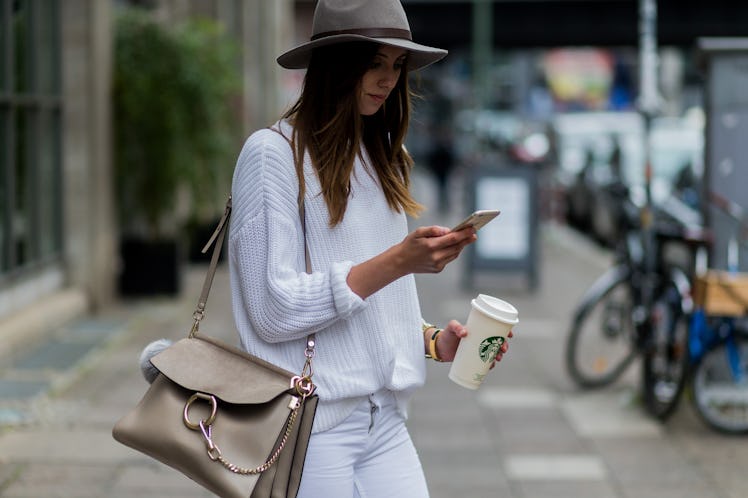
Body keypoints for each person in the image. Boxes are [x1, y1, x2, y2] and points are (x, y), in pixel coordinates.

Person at [228, 1, 512, 496]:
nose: (387, 79)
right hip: (312, 428)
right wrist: (398, 261)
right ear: (337, 63)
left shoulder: (385, 158)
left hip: (385, 420)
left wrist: (430, 341)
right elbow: (272, 310)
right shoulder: (272, 156)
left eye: (397, 66)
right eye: (375, 63)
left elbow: (378, 301)